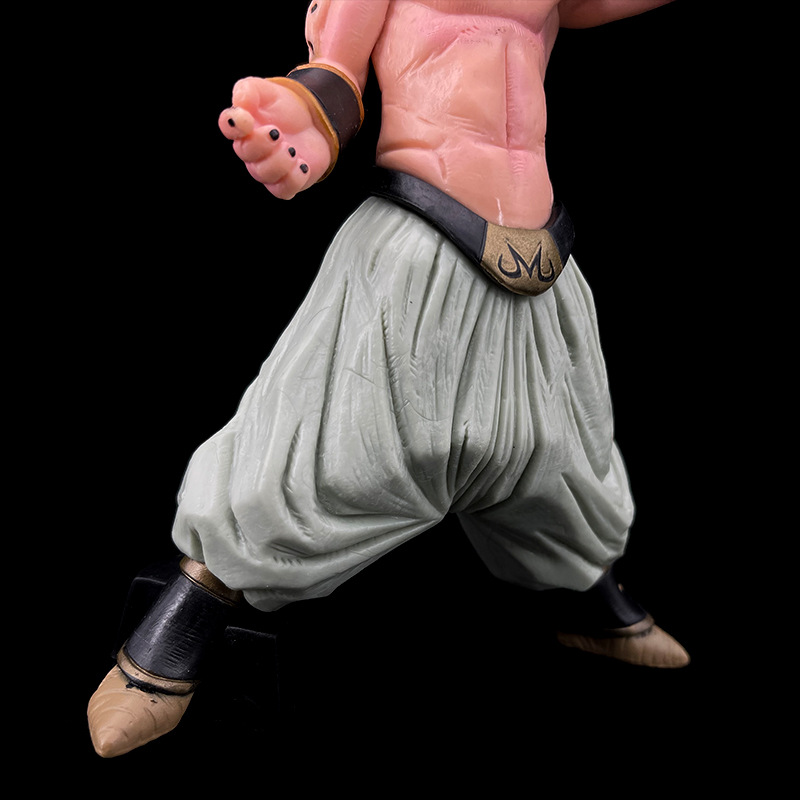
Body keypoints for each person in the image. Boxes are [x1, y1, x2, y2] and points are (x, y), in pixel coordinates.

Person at [88, 0, 688, 759]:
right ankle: (175, 631)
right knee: (318, 442)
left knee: (561, 445)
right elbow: (334, 76)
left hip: (538, 249)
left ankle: (586, 598)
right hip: (423, 232)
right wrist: (304, 124)